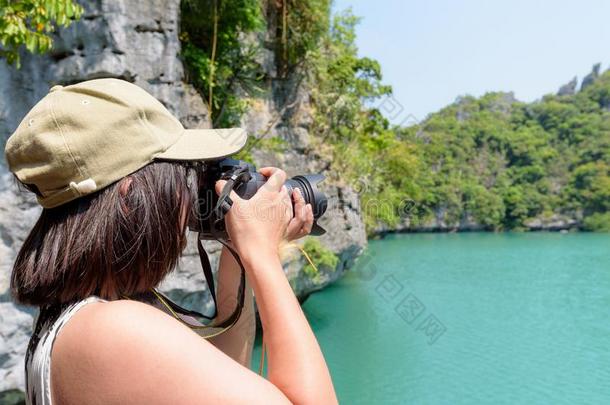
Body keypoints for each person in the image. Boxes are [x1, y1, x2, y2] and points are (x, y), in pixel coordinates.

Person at [5, 78, 337, 405]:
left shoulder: (73, 319)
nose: (188, 197)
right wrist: (262, 256)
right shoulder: (112, 331)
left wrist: (237, 248)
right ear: (130, 196)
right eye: (182, 178)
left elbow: (230, 377)